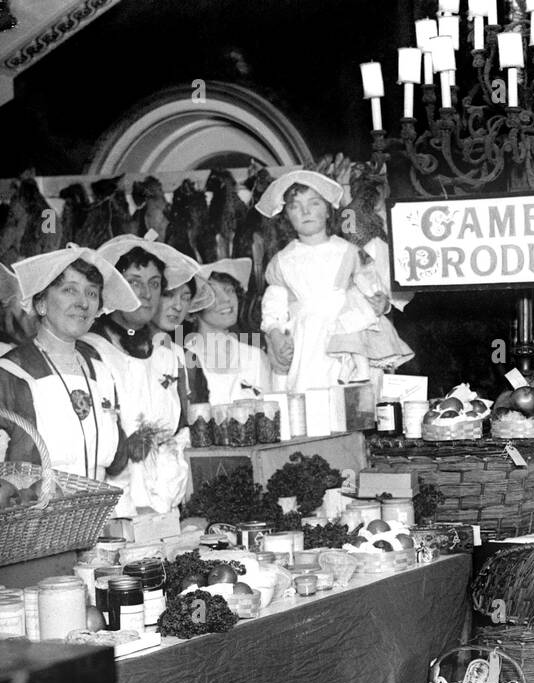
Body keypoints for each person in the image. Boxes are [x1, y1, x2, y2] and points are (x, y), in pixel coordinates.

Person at [255, 170, 409, 396]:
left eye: (314, 203)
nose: (305, 211)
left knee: (350, 398)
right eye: (295, 206)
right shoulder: (282, 261)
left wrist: (381, 303)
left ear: (328, 210)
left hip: (346, 336)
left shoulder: (349, 251)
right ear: (286, 214)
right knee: (310, 396)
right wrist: (277, 335)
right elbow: (273, 308)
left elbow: (372, 287)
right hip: (305, 340)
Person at [85, 234, 208, 515]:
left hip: (166, 505)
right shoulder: (91, 352)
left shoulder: (166, 356)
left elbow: (181, 430)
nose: (146, 293)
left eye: (154, 284)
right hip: (114, 513)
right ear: (112, 290)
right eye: (134, 283)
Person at [0, 246, 136, 480]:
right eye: (69, 290)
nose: (83, 303)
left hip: (99, 512)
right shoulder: (11, 373)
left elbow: (117, 461)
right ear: (41, 303)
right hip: (35, 513)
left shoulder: (101, 371)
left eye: (92, 293)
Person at [182, 258, 273, 405]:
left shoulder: (256, 358)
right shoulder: (182, 359)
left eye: (229, 290)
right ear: (195, 306)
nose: (226, 300)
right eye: (213, 294)